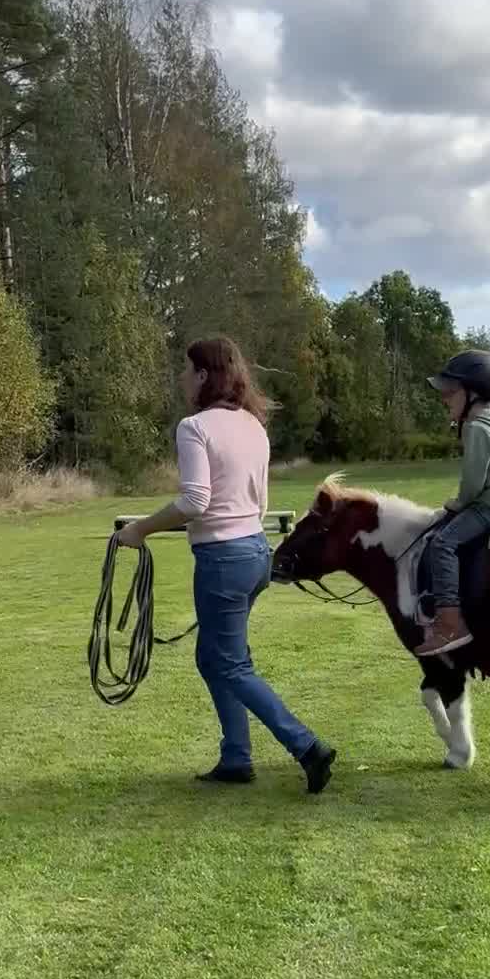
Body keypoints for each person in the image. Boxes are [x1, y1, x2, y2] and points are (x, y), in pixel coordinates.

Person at [117, 337, 336, 792]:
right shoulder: (254, 426)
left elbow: (196, 501)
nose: (181, 378)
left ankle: (307, 747)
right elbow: (252, 500)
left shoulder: (195, 427)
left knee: (230, 664)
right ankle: (236, 757)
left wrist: (141, 529)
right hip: (255, 553)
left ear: (203, 375)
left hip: (222, 560)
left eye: (186, 370)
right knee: (217, 657)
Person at [416, 349, 490, 659]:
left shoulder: (476, 426)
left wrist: (454, 505)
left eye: (450, 391)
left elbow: (472, 485)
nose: (444, 398)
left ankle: (450, 623)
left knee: (442, 542)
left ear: (472, 394)